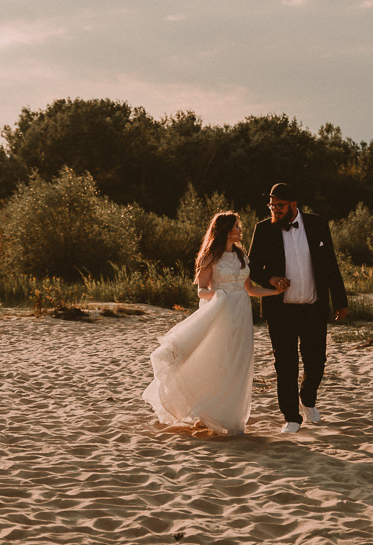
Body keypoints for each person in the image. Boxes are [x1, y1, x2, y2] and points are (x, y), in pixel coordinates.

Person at [142, 212, 289, 435]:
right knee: (217, 362)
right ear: (226, 230)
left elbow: (248, 289)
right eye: (237, 226)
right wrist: (219, 294)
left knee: (238, 364)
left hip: (241, 315)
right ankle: (207, 412)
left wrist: (274, 292)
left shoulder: (241, 256)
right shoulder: (210, 256)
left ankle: (230, 416)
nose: (241, 229)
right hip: (220, 315)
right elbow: (201, 291)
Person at [248, 182, 348, 434]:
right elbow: (252, 267)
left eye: (279, 205)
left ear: (293, 204)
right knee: (285, 365)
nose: (274, 209)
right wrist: (271, 279)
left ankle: (308, 398)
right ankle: (291, 417)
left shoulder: (317, 225)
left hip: (313, 308)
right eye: (271, 205)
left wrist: (341, 300)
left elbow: (331, 265)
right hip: (280, 311)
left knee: (316, 362)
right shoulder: (263, 229)